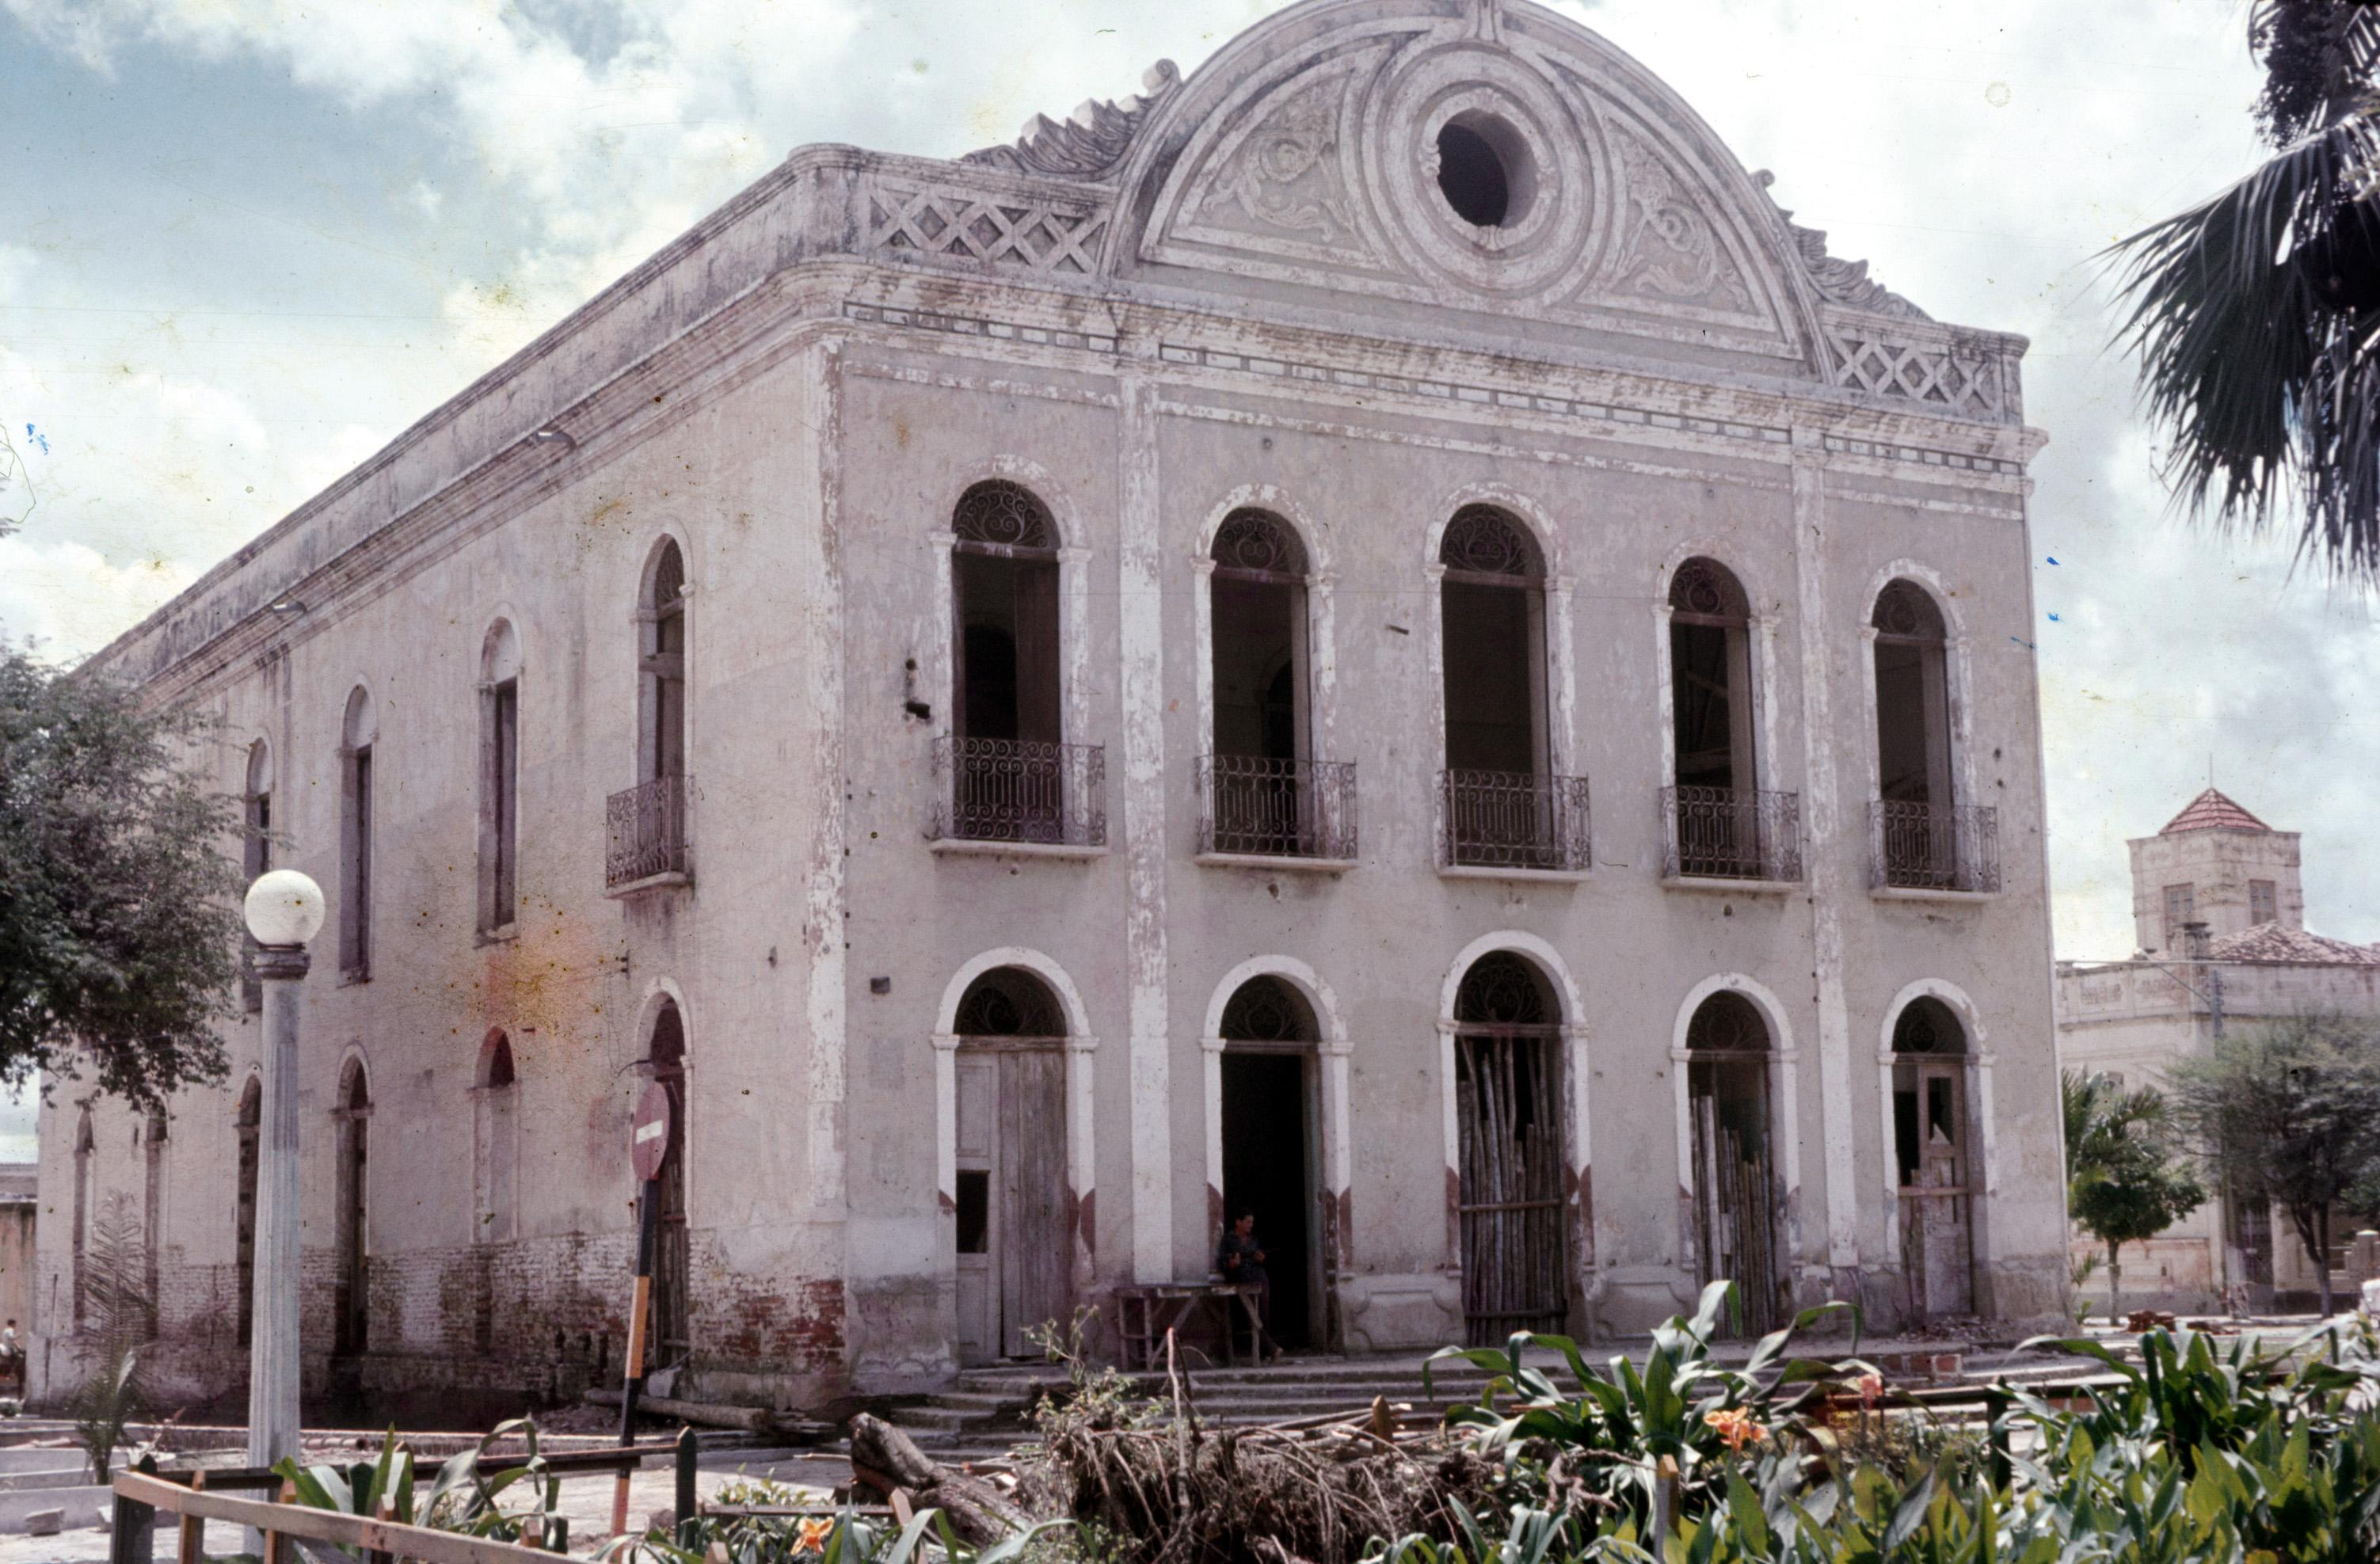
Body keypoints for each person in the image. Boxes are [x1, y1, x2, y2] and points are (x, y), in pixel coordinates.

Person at [1217, 1212, 1286, 1361]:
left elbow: (1261, 1259)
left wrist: (1262, 1259)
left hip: (1259, 1279)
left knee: (1263, 1314)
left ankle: (1264, 1351)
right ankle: (1271, 1349)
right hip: (1241, 1281)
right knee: (1251, 1314)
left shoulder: (1254, 1240)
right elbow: (1222, 1263)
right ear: (1238, 1222)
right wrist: (1232, 1264)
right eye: (1248, 1222)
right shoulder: (1229, 1239)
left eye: (1251, 1222)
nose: (1250, 1225)